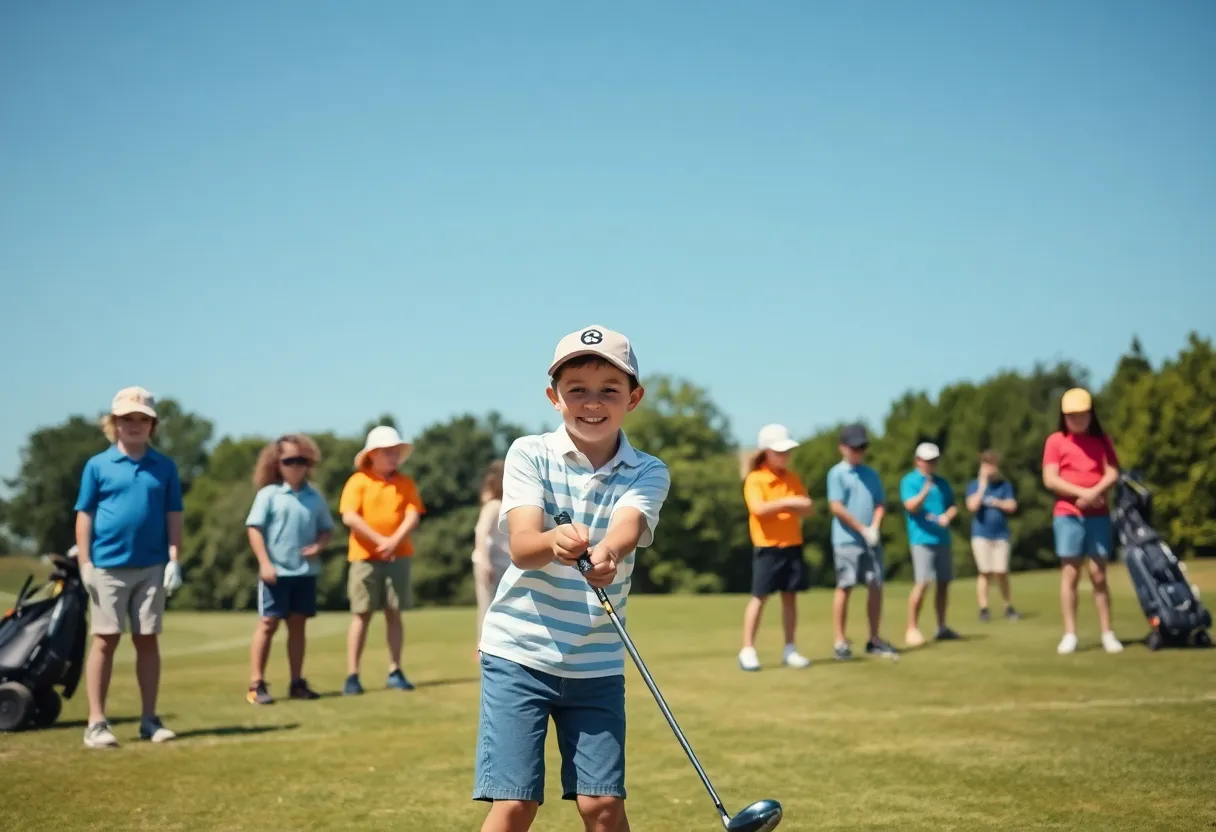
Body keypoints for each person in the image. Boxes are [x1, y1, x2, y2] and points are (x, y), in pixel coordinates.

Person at [473, 324, 670, 832]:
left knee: (602, 805)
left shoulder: (649, 470)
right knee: (516, 803)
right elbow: (523, 547)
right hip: (519, 653)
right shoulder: (528, 453)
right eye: (577, 389)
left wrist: (608, 552)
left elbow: (628, 525)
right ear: (553, 396)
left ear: (634, 398)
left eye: (609, 389)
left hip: (596, 659)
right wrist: (553, 542)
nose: (592, 402)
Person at [73, 386, 184, 748]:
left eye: (142, 419)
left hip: (152, 565)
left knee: (147, 639)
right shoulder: (97, 465)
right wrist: (86, 563)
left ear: (152, 425)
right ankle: (96, 723)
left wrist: (174, 559)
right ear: (114, 423)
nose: (134, 425)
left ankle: (149, 719)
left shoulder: (164, 467)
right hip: (107, 565)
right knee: (105, 639)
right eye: (126, 418)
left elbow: (173, 516)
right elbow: (85, 515)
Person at [244, 433, 334, 705]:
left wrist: (319, 546)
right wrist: (264, 563)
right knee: (268, 623)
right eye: (289, 460)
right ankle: (257, 683)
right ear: (277, 463)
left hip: (304, 572)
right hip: (275, 573)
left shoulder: (314, 497)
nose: (296, 466)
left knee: (298, 626)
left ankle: (297, 682)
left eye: (301, 460)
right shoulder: (269, 495)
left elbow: (326, 528)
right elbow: (254, 529)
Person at [339, 425, 426, 695]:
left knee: (394, 612)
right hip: (365, 557)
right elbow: (350, 516)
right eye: (387, 452)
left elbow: (412, 515)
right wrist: (380, 540)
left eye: (396, 452)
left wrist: (394, 542)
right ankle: (352, 674)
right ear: (372, 455)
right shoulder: (358, 481)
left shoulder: (406, 483)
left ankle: (395, 670)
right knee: (361, 614)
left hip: (398, 556)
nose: (393, 456)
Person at [1042, 387, 1124, 655]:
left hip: (1098, 514)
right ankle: (1070, 633)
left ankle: (1107, 631)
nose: (1077, 420)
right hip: (1068, 514)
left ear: (1091, 414)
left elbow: (1112, 472)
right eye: (1071, 415)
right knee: (1071, 573)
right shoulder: (1055, 441)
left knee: (1099, 574)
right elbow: (1050, 478)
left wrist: (1095, 492)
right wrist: (1083, 493)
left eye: (1082, 414)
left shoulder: (1102, 440)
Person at [737, 423, 814, 672]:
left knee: (790, 598)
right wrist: (789, 502)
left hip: (792, 543)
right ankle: (748, 650)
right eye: (780, 451)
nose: (785, 456)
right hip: (767, 547)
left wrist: (784, 504)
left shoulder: (792, 477)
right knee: (759, 597)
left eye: (787, 451)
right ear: (766, 451)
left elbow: (808, 507)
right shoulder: (756, 479)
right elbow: (759, 509)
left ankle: (790, 648)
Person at [825, 424, 898, 660]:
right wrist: (861, 528)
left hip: (870, 540)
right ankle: (840, 642)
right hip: (846, 540)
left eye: (862, 448)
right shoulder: (837, 474)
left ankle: (874, 639)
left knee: (875, 585)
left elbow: (880, 503)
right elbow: (836, 507)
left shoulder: (871, 474)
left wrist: (875, 526)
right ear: (842, 448)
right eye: (854, 448)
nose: (858, 452)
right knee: (845, 586)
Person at [900, 442, 961, 647]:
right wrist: (924, 491)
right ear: (918, 461)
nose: (931, 464)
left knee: (943, 583)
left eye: (934, 460)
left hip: (942, 538)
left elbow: (952, 506)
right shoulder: (910, 481)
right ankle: (912, 628)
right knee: (923, 582)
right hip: (921, 539)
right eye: (927, 460)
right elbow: (911, 506)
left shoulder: (942, 483)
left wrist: (948, 516)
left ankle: (942, 627)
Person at [964, 450, 1020, 622]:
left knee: (1001, 571)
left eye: (991, 465)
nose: (988, 469)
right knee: (985, 571)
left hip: (1001, 534)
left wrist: (997, 503)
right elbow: (972, 506)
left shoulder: (1004, 486)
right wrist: (982, 486)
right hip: (981, 534)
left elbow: (1012, 505)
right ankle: (984, 608)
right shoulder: (974, 485)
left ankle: (1007, 606)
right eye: (985, 465)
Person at [471, 459, 512, 659]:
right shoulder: (494, 506)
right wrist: (485, 562)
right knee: (487, 607)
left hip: (503, 564)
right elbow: (481, 532)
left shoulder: (503, 505)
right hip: (490, 563)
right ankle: (483, 649)